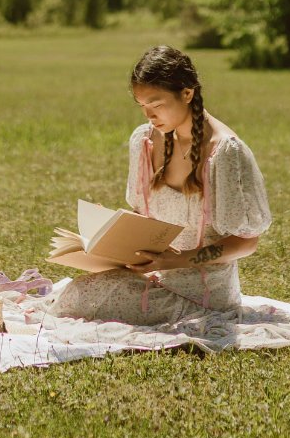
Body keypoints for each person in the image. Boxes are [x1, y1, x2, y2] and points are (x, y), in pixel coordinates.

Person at [46, 44, 272, 325]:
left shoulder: (225, 153)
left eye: (156, 105)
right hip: (151, 276)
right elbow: (146, 220)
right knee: (79, 292)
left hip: (203, 295)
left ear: (187, 93)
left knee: (83, 299)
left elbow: (246, 243)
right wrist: (111, 233)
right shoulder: (145, 140)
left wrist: (175, 261)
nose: (149, 115)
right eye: (142, 106)